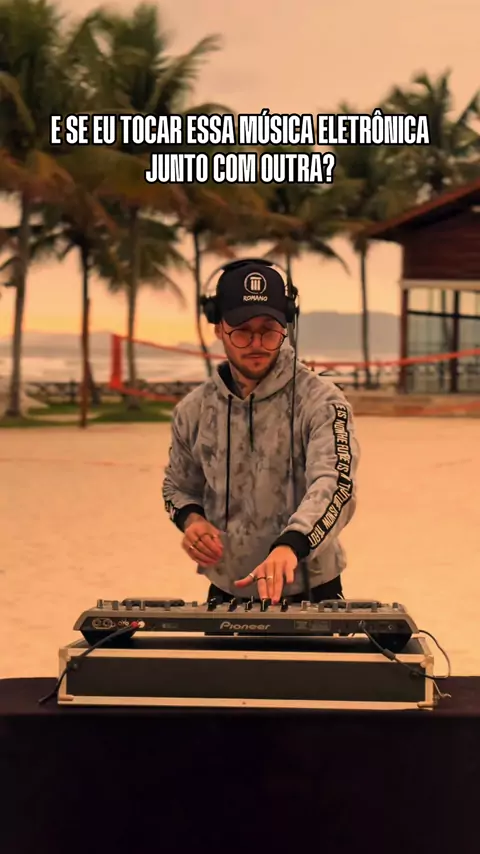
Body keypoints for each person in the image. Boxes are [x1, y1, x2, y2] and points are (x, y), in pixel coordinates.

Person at [162, 259, 360, 606]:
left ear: (286, 326)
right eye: (242, 331)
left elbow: (336, 484)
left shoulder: (323, 401)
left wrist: (291, 545)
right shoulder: (193, 409)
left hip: (310, 587)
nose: (256, 343)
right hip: (227, 587)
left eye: (269, 331)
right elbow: (178, 486)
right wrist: (192, 521)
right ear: (218, 328)